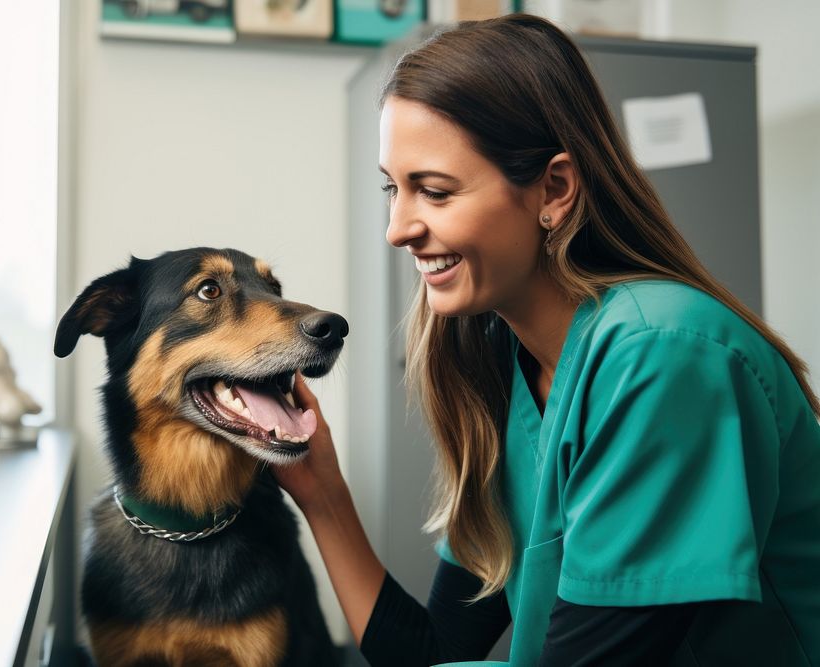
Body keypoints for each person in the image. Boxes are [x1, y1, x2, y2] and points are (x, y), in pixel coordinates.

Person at [273, 14, 820, 667]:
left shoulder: (662, 357)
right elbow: (432, 650)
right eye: (395, 188)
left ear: (553, 189)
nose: (398, 227)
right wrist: (322, 490)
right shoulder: (507, 369)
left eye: (435, 191)